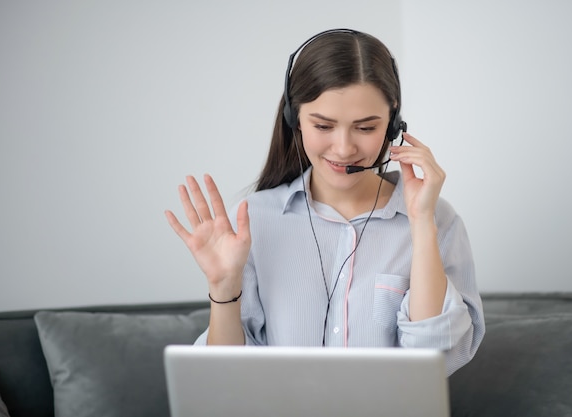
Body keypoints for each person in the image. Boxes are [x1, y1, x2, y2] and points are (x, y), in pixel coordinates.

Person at [165, 28, 484, 375]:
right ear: (295, 119)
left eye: (365, 128)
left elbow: (432, 361)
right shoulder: (254, 222)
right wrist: (224, 288)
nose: (344, 148)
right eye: (323, 126)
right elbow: (224, 379)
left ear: (393, 123)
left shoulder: (438, 220)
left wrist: (421, 224)